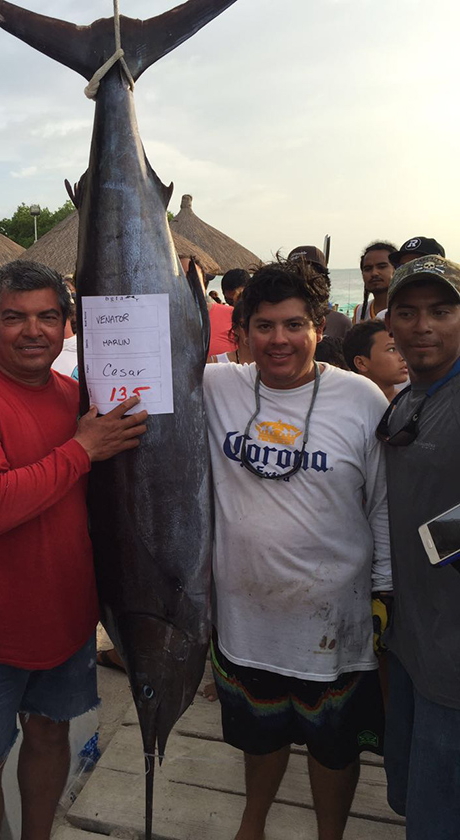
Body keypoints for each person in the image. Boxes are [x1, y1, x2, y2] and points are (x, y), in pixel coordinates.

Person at [0, 259, 147, 840]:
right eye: (14, 317)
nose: (33, 330)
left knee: (50, 738)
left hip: (67, 622)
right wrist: (81, 449)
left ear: (69, 325)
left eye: (47, 316)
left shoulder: (75, 396)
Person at [203, 258, 391, 840]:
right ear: (242, 332)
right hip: (246, 619)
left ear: (318, 327)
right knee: (259, 738)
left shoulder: (361, 399)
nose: (278, 340)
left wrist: (386, 592)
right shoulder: (215, 386)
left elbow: (382, 505)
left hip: (337, 621)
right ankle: (251, 826)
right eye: (263, 326)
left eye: (293, 325)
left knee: (333, 749)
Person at [380, 255, 460, 838]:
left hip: (455, 655)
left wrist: (439, 542)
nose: (423, 325)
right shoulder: (408, 398)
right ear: (390, 324)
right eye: (407, 312)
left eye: (442, 311)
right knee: (415, 795)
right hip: (413, 640)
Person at [286, 245, 351, 339]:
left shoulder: (340, 322)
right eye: (296, 272)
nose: (305, 277)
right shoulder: (275, 317)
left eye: (313, 272)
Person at [180, 257, 236, 356]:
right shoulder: (154, 323)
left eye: (193, 279)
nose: (186, 286)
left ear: (204, 286)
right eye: (179, 279)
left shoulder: (233, 315)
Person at [343, 321, 408, 401]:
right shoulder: (344, 407)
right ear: (361, 363)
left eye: (403, 348)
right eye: (392, 349)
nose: (404, 357)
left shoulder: (412, 405)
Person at [353, 242, 396, 324]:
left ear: (396, 269)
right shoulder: (360, 311)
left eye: (382, 267)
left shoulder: (408, 310)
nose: (374, 273)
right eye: (368, 269)